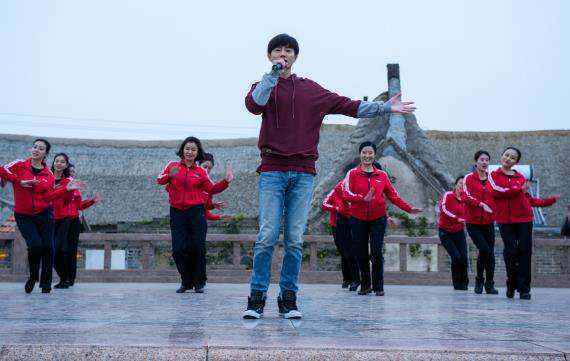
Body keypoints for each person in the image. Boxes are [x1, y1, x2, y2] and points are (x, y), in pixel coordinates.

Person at [242, 34, 416, 319]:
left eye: (288, 50)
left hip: (303, 173)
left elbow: (348, 106)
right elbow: (254, 104)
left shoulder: (310, 90)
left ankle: (288, 299)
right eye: (277, 50)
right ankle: (257, 297)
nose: (283, 54)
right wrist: (271, 76)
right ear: (270, 56)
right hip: (272, 170)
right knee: (267, 236)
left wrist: (385, 107)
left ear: (296, 56)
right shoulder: (262, 86)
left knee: (295, 239)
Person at [0, 139, 82, 293]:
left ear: (46, 153)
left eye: (41, 148)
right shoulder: (19, 165)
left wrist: (67, 189)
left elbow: (49, 196)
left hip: (44, 214)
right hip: (23, 215)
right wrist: (19, 181)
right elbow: (2, 170)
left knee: (48, 248)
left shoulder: (48, 174)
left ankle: (45, 285)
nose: (36, 150)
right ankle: (33, 277)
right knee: (36, 245)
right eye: (35, 147)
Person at [342, 141, 422, 296]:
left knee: (377, 252)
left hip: (378, 218)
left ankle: (379, 287)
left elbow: (393, 195)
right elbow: (346, 193)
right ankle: (365, 285)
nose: (367, 155)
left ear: (374, 154)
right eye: (364, 152)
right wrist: (362, 198)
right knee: (361, 253)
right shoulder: (352, 174)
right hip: (358, 218)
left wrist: (409, 208)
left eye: (370, 152)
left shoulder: (382, 175)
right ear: (360, 154)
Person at [157, 137, 232, 294]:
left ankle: (199, 282)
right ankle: (186, 280)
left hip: (196, 212)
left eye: (193, 149)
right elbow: (159, 180)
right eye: (187, 148)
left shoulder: (200, 172)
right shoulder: (172, 165)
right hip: (177, 212)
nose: (189, 152)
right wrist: (170, 175)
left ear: (197, 153)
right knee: (178, 249)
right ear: (182, 150)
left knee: (197, 247)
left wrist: (225, 181)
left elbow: (211, 189)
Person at [489, 147, 559, 300]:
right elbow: (497, 191)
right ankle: (511, 283)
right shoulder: (493, 175)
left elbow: (529, 200)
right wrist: (517, 189)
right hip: (505, 221)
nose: (508, 159)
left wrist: (550, 200)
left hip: (525, 219)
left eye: (512, 158)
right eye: (506, 155)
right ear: (501, 157)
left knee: (525, 252)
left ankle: (524, 289)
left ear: (516, 162)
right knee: (511, 252)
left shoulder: (520, 177)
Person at [462, 150, 498, 294]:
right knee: (485, 250)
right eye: (482, 160)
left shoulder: (492, 179)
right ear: (476, 162)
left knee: (489, 253)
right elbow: (465, 195)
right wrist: (480, 204)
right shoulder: (468, 178)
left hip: (488, 222)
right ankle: (479, 280)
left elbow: (498, 196)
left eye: (487, 160)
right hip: (473, 222)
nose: (484, 162)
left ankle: (489, 284)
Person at [66, 163, 100, 286]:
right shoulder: (60, 184)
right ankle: (63, 275)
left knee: (71, 250)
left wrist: (91, 201)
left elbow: (79, 206)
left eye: (73, 171)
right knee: (60, 249)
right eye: (69, 171)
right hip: (61, 220)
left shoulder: (76, 189)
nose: (72, 173)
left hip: (74, 221)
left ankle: (70, 278)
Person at [321, 180, 359, 290]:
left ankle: (355, 279)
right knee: (343, 252)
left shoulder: (355, 190)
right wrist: (336, 208)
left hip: (352, 223)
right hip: (337, 224)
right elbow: (324, 204)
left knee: (350, 252)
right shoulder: (337, 190)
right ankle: (347, 279)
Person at [439, 176, 469, 290]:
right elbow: (444, 209)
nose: (462, 186)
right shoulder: (448, 195)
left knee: (464, 257)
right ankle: (457, 284)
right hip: (445, 232)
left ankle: (464, 284)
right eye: (460, 183)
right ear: (455, 184)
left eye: (464, 184)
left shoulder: (466, 199)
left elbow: (469, 213)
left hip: (459, 232)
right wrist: (456, 218)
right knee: (456, 257)